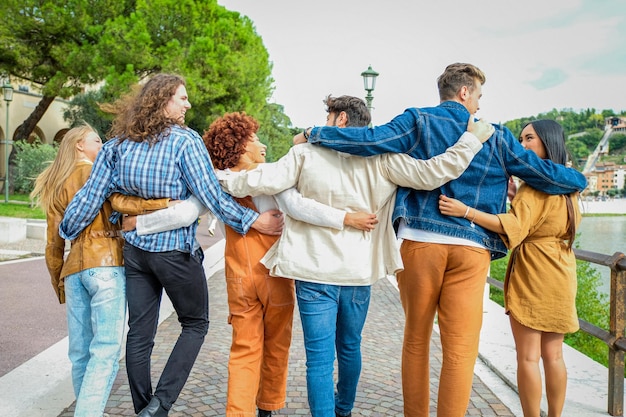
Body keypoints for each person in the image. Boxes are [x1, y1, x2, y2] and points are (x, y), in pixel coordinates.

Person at [300, 63, 587, 417]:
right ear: (464, 92)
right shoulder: (495, 135)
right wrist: (577, 179)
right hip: (472, 248)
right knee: (461, 350)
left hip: (420, 242)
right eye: (478, 95)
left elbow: (370, 141)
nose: (479, 105)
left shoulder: (417, 120)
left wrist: (315, 133)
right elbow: (540, 172)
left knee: (417, 340)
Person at [217, 94, 494, 417]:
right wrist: (471, 141)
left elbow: (257, 180)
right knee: (349, 348)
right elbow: (435, 173)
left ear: (342, 120)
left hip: (312, 272)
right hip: (358, 272)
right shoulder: (385, 159)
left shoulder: (304, 154)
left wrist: (213, 176)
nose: (322, 124)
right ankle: (344, 409)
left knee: (318, 358)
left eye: (328, 116)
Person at [119, 111, 376, 417]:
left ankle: (238, 412)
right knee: (277, 344)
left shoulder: (217, 183)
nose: (262, 144)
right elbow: (297, 206)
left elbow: (187, 212)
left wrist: (137, 223)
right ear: (238, 146)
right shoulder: (272, 176)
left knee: (244, 348)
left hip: (239, 275)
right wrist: (346, 217)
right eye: (254, 139)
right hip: (274, 273)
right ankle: (266, 408)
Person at [58, 74, 283, 417]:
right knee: (195, 323)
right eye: (182, 98)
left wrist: (66, 228)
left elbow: (91, 196)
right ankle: (161, 403)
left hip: (135, 253)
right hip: (174, 252)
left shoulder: (117, 144)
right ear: (163, 99)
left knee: (140, 332)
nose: (188, 104)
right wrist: (255, 220)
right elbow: (211, 195)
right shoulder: (185, 142)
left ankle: (143, 407)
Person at [438, 119, 581, 417]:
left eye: (529, 138)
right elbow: (546, 220)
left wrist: (466, 211)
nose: (523, 145)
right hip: (563, 271)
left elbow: (514, 227)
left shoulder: (533, 190)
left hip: (536, 273)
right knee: (554, 356)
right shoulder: (569, 188)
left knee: (528, 357)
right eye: (521, 138)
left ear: (546, 143)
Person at [30, 124, 167, 417]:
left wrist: (60, 283)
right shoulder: (97, 172)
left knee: (80, 352)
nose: (102, 144)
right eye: (96, 139)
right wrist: (161, 203)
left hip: (74, 270)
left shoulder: (56, 182)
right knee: (105, 351)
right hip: (106, 265)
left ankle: (88, 409)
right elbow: (121, 202)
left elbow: (53, 244)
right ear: (79, 144)